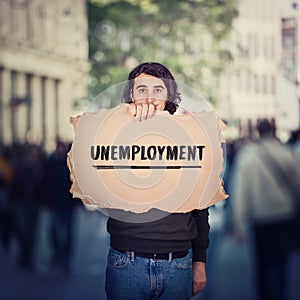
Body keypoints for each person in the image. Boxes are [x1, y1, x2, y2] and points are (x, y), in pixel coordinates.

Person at [104, 62, 210, 300]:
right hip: (126, 262)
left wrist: (199, 261)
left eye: (158, 90)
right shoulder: (113, 131)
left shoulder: (188, 137)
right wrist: (124, 120)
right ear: (131, 94)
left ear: (168, 96)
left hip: (178, 264)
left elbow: (200, 206)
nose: (150, 98)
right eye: (142, 90)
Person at [230, 119, 300, 300]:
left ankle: (266, 295)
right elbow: (297, 186)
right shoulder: (287, 154)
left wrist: (238, 223)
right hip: (284, 216)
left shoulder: (247, 157)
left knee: (263, 264)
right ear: (274, 130)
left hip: (260, 218)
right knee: (281, 263)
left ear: (258, 132)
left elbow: (240, 191)